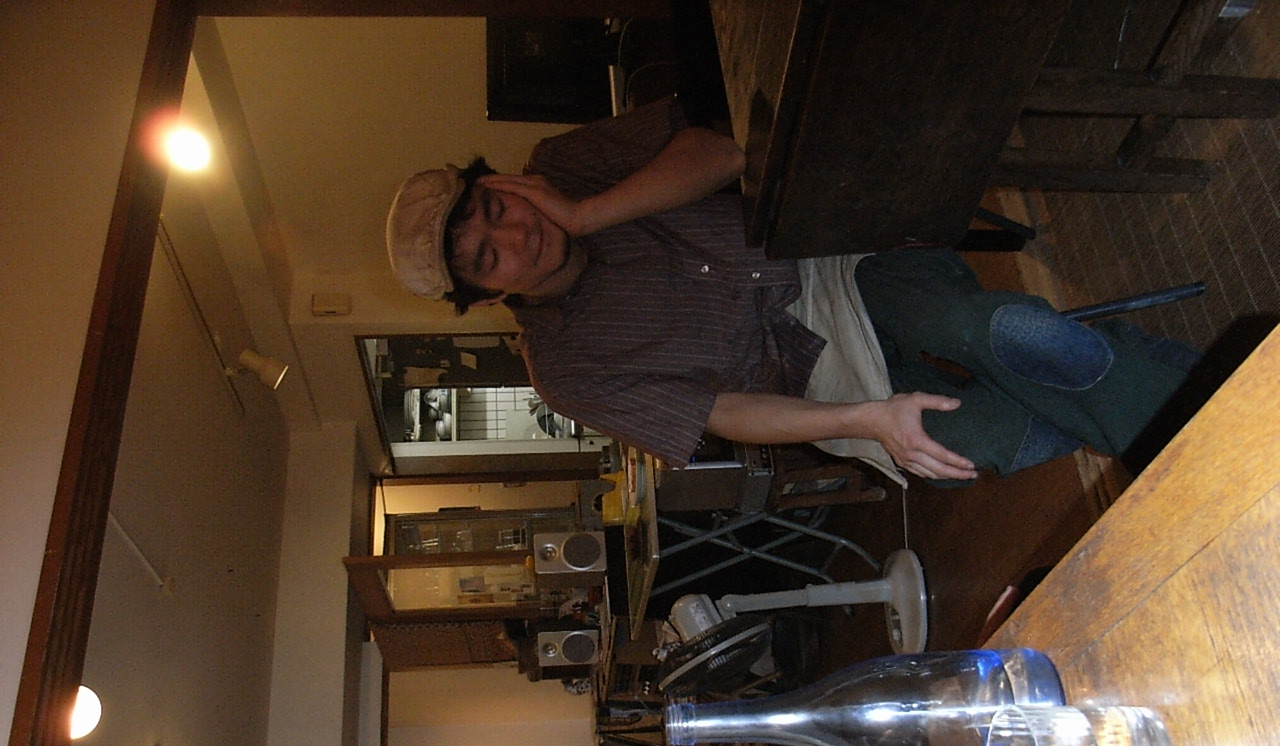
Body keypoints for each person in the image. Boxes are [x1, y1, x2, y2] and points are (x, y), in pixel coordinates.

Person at [386, 98, 1199, 486]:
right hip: (821, 382)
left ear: (503, 183)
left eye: (496, 208)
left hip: (833, 260)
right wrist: (866, 420)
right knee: (973, 445)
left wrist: (585, 213)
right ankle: (1177, 383)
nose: (517, 235)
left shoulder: (564, 162)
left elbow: (721, 154)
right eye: (488, 257)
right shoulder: (564, 372)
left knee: (1008, 336)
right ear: (485, 298)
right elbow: (722, 413)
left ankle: (1200, 428)